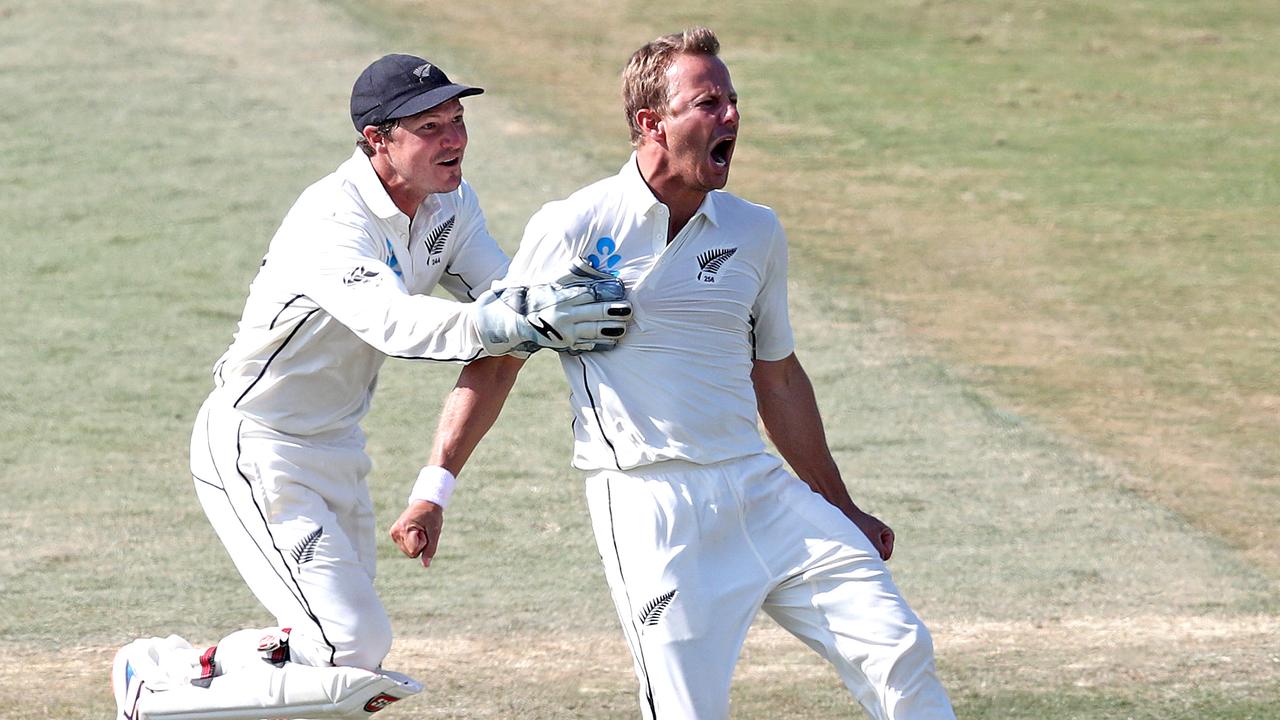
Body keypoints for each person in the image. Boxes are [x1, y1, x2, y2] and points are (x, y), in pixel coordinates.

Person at [389, 28, 955, 719]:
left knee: (898, 647)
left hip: (759, 489)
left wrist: (841, 507)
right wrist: (433, 490)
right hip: (651, 507)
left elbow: (775, 376)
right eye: (708, 103)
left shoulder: (754, 231)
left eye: (733, 101)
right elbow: (498, 362)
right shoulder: (575, 225)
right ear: (650, 123)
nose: (732, 117)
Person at [111, 53, 630, 720]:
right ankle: (156, 686)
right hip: (256, 446)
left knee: (347, 654)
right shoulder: (331, 220)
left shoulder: (451, 203)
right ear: (376, 140)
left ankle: (193, 670)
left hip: (339, 448)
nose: (455, 139)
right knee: (350, 642)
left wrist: (551, 303)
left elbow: (498, 295)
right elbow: (396, 321)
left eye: (458, 119)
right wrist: (510, 319)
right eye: (429, 126)